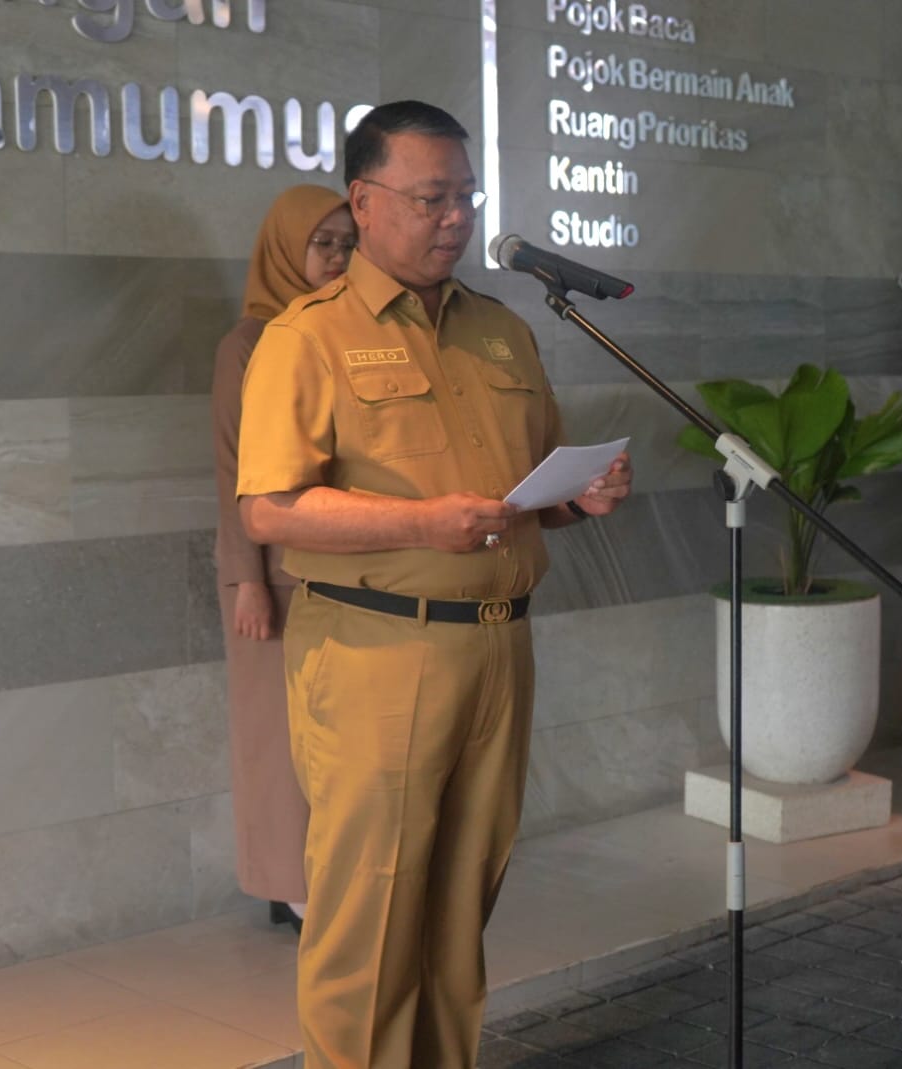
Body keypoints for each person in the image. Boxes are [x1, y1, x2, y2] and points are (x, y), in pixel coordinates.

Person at [234, 101, 632, 1069]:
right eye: (430, 198)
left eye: (465, 197)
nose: (454, 217)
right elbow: (271, 509)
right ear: (364, 202)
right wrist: (421, 522)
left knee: (461, 905)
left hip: (498, 645)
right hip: (378, 649)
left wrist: (580, 498)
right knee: (369, 915)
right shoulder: (307, 336)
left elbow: (526, 490)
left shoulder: (500, 331)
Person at [211, 184, 356, 933]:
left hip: (340, 568)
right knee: (277, 738)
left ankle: (323, 880)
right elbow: (232, 469)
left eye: (347, 244)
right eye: (321, 243)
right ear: (284, 247)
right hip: (270, 574)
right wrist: (247, 579)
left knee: (333, 740)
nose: (337, 258)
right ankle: (289, 888)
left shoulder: (341, 331)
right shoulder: (248, 344)